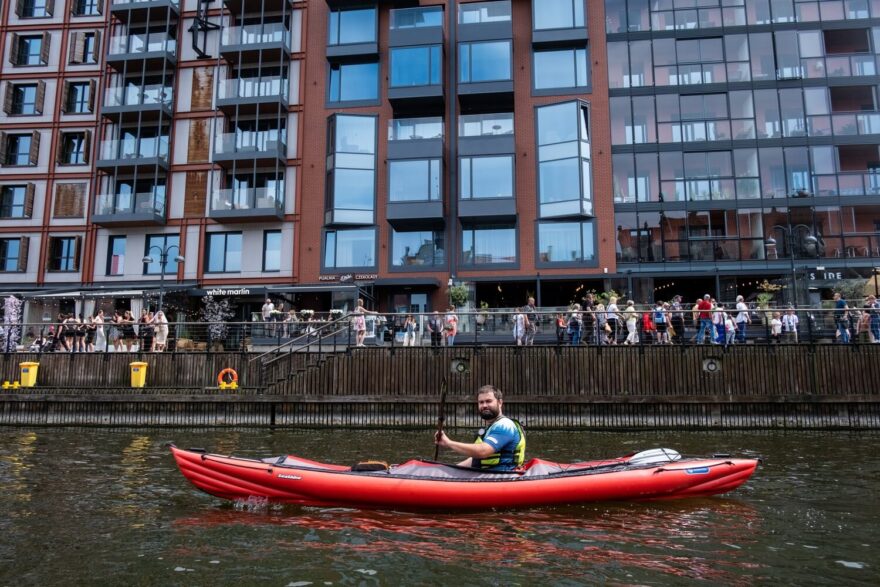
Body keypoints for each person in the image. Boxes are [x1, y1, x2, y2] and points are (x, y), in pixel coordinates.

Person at [434, 385, 526, 471]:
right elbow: (476, 459)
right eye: (481, 402)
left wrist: (449, 443)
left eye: (488, 401)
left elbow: (482, 451)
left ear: (500, 402)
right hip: (487, 475)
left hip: (501, 478)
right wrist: (450, 470)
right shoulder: (490, 428)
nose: (484, 405)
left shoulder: (505, 426)